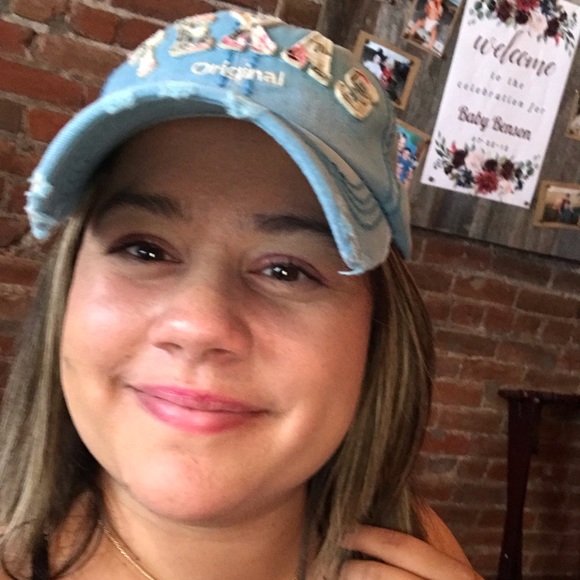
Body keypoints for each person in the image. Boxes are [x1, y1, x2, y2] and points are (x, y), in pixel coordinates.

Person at [0, 9, 482, 580]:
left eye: (286, 271)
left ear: (377, 334)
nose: (198, 324)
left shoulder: (418, 546)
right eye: (145, 250)